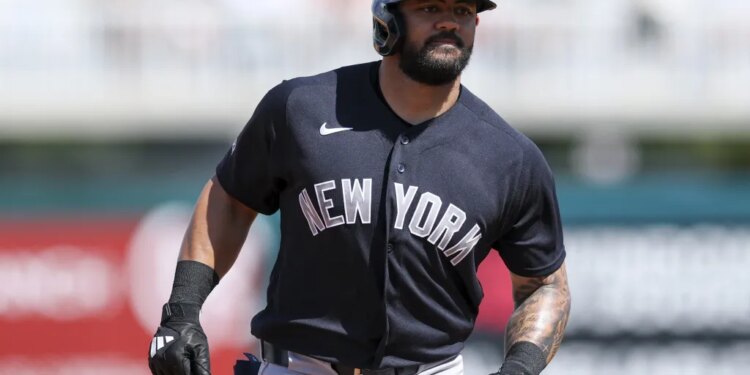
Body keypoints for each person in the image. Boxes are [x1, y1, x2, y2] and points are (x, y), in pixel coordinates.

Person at [147, 0, 571, 374]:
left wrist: (519, 369)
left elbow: (544, 284)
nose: (449, 23)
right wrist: (183, 309)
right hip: (299, 366)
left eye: (462, 10)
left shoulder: (510, 157)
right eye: (429, 8)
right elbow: (231, 198)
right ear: (386, 20)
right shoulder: (301, 108)